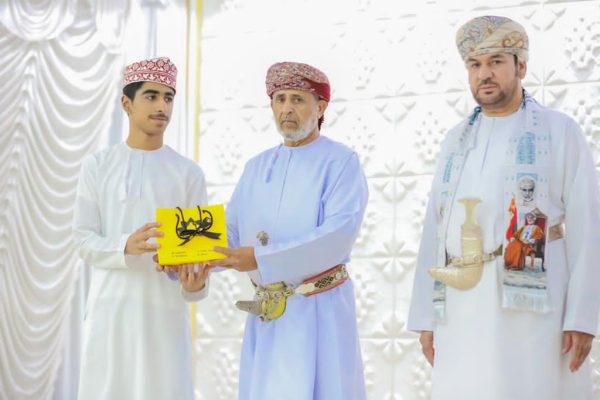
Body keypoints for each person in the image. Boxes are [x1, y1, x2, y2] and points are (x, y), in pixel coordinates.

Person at [407, 16, 600, 400]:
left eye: (496, 61)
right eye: (475, 65)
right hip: (461, 303)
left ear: (521, 66)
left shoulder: (559, 130)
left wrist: (582, 317)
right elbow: (435, 228)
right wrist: (425, 316)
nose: (485, 74)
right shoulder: (456, 140)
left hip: (534, 305)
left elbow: (588, 225)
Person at [206, 61, 368, 400]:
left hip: (319, 310)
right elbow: (230, 233)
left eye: (297, 99)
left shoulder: (340, 162)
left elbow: (337, 236)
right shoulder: (256, 167)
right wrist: (190, 260)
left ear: (320, 107)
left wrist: (260, 258)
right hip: (268, 316)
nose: (286, 109)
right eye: (279, 99)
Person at [73, 57, 209, 400]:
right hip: (110, 312)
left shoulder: (188, 173)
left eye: (168, 97)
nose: (162, 106)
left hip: (164, 316)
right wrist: (125, 246)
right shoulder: (97, 166)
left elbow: (197, 257)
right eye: (151, 96)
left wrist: (195, 283)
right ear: (127, 103)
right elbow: (83, 239)